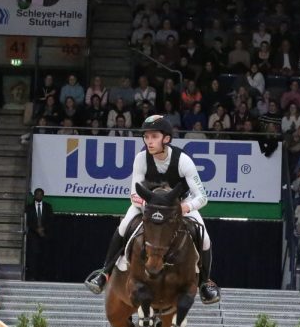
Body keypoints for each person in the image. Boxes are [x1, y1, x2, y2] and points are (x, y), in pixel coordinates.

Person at [84, 115, 218, 304]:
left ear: (166, 139)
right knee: (123, 228)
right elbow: (134, 193)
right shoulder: (141, 158)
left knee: (204, 237)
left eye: (154, 136)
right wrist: (151, 208)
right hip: (148, 206)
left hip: (180, 205)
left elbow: (202, 197)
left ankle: (205, 283)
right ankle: (104, 273)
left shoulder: (183, 161)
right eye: (146, 137)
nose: (149, 141)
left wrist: (183, 208)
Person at [25, 188, 53, 281]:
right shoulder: (29, 207)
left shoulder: (48, 207)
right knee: (33, 257)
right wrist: (37, 229)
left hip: (45, 236)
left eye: (40, 194)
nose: (39, 196)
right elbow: (28, 221)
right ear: (34, 195)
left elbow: (50, 220)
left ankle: (43, 276)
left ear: (43, 196)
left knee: (44, 257)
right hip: (33, 236)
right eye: (37, 194)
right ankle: (32, 276)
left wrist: (43, 229)